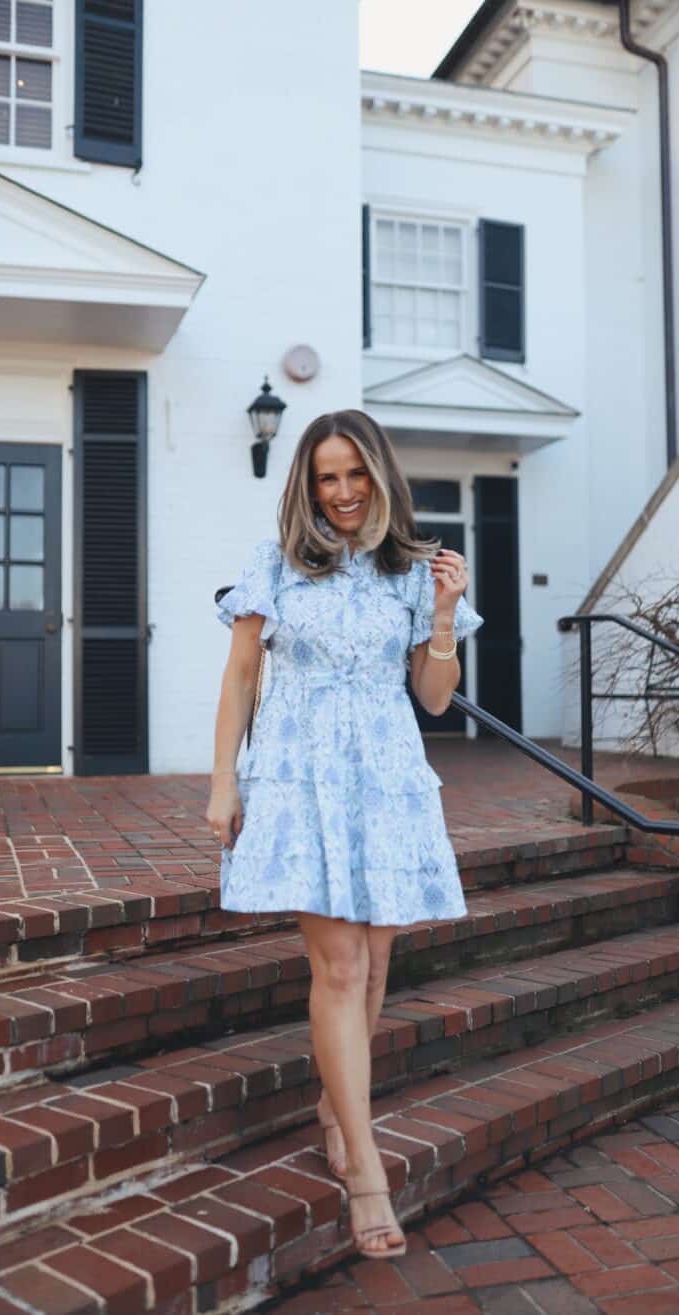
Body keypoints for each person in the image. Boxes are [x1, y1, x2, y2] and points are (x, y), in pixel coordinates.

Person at [208, 409, 484, 1260]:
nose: (341, 492)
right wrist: (223, 786)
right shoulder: (276, 562)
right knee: (339, 963)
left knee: (374, 964)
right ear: (307, 483)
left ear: (379, 473)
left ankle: (339, 1107)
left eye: (354, 473)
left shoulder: (413, 568)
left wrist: (443, 612)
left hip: (387, 777)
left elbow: (435, 697)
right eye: (325, 476)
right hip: (299, 775)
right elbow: (241, 677)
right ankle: (365, 1167)